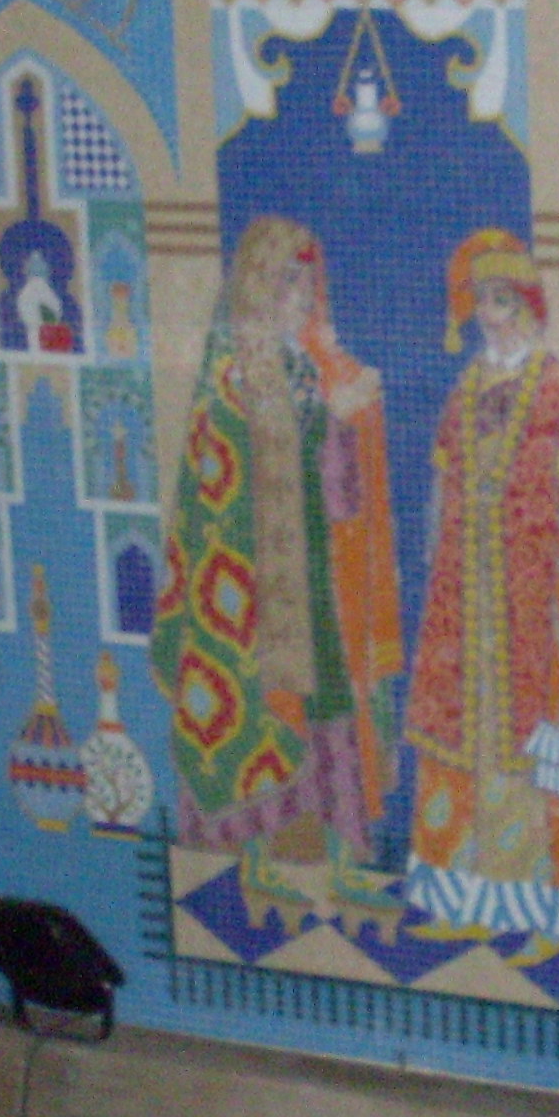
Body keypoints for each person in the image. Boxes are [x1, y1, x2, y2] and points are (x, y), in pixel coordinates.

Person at [404, 229, 559, 952]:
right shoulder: (465, 392)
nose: (490, 316)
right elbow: (440, 505)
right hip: (470, 626)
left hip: (543, 628)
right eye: (482, 301)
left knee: (550, 769)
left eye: (504, 301)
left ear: (531, 307)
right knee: (469, 761)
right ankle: (473, 900)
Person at [153, 217, 401, 892]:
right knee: (272, 717)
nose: (302, 299)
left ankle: (324, 866)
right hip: (245, 612)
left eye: (308, 285)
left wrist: (347, 419)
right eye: (288, 284)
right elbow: (237, 473)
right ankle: (254, 868)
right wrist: (331, 414)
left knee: (325, 705)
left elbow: (336, 497)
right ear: (258, 290)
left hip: (309, 587)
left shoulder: (299, 368)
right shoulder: (231, 375)